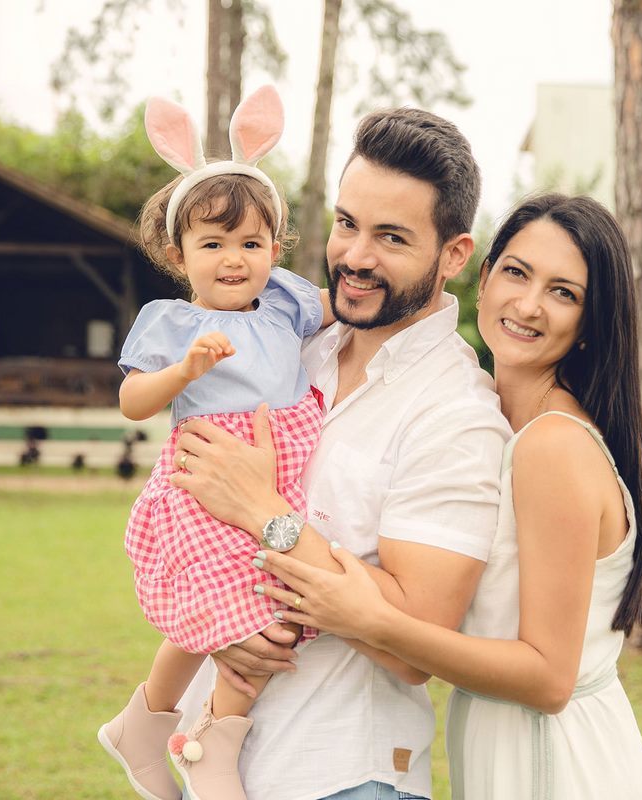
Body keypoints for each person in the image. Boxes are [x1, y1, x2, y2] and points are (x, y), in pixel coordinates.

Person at [250, 194, 642, 798]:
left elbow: (550, 679)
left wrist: (369, 619)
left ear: (590, 322)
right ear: (485, 275)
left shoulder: (552, 446)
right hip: (501, 741)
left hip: (555, 761)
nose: (527, 305)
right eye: (517, 273)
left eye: (563, 292)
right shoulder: (495, 417)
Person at [167, 108, 512, 800]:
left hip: (342, 774)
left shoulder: (458, 414)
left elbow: (416, 641)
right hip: (215, 754)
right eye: (348, 223)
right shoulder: (294, 347)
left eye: (391, 237)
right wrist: (218, 618)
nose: (355, 256)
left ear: (453, 254)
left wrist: (264, 513)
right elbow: (190, 501)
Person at [96, 86, 333, 800]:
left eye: (252, 243)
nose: (235, 259)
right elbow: (132, 401)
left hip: (279, 480)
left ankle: (148, 725)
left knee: (255, 610)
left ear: (276, 247)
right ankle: (209, 741)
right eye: (213, 244)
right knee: (248, 615)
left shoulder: (288, 301)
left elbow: (345, 318)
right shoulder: (169, 321)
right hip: (207, 484)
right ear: (179, 252)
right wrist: (185, 369)